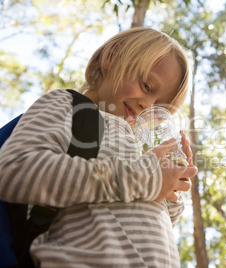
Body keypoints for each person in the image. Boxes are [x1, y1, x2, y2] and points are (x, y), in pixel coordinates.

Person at [0, 27, 198, 267]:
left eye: (161, 108)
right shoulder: (69, 106)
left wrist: (171, 191)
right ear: (112, 56)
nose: (147, 106)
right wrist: (146, 177)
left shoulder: (139, 150)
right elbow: (15, 169)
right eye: (147, 86)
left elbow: (138, 222)